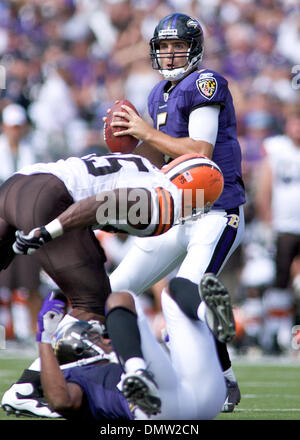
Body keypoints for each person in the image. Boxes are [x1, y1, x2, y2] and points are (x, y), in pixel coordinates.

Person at [1, 151, 223, 417]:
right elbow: (102, 203)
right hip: (48, 199)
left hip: (15, 185)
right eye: (201, 202)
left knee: (90, 288)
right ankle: (27, 388)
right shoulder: (167, 199)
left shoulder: (144, 167)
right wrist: (50, 230)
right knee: (93, 306)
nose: (198, 210)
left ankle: (28, 386)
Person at [105, 13, 246, 413]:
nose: (169, 54)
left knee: (185, 294)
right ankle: (128, 370)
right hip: (178, 212)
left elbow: (200, 151)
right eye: (163, 47)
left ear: (195, 47)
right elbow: (160, 152)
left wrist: (146, 131)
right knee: (116, 287)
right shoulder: (157, 95)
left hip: (216, 210)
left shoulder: (206, 83)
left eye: (176, 46)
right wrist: (131, 145)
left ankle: (222, 379)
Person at [5, 272, 232, 420]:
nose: (105, 335)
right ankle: (137, 375)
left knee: (175, 288)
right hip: (153, 411)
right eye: (95, 334)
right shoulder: (78, 377)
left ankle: (206, 312)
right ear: (82, 347)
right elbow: (60, 401)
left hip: (201, 396)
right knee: (119, 299)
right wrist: (44, 339)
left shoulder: (115, 353)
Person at [255, 105, 300, 353]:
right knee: (279, 280)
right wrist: (266, 220)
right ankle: (275, 333)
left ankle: (288, 332)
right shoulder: (277, 148)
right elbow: (264, 185)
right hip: (284, 226)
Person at [0, 103, 42, 341]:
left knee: (30, 280)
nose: (15, 131)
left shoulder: (32, 151)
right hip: (3, 220)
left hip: (25, 220)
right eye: (11, 126)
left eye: (18, 127)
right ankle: (9, 331)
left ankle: (36, 332)